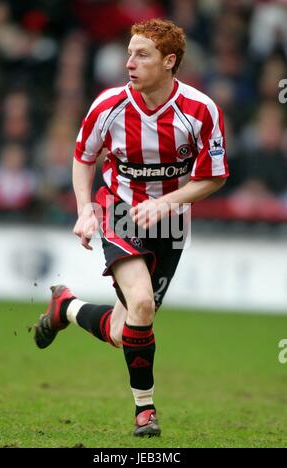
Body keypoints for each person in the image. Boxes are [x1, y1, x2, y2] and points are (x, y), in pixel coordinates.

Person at [34, 18, 229, 437]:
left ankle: (65, 307)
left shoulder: (200, 110)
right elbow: (84, 157)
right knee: (141, 303)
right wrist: (86, 209)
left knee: (127, 330)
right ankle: (146, 411)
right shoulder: (108, 106)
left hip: (172, 221)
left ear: (169, 61)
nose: (129, 63)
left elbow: (214, 176)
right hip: (119, 208)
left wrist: (167, 203)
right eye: (128, 53)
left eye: (141, 55)